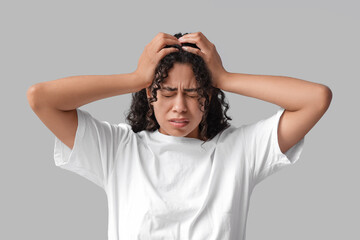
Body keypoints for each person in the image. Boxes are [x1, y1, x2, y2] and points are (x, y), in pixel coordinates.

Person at [27, 32, 332, 240]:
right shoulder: (119, 149)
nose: (180, 107)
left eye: (194, 92)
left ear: (209, 96)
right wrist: (135, 77)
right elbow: (41, 98)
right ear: (150, 93)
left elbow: (315, 98)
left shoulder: (241, 150)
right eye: (168, 92)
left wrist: (224, 77)